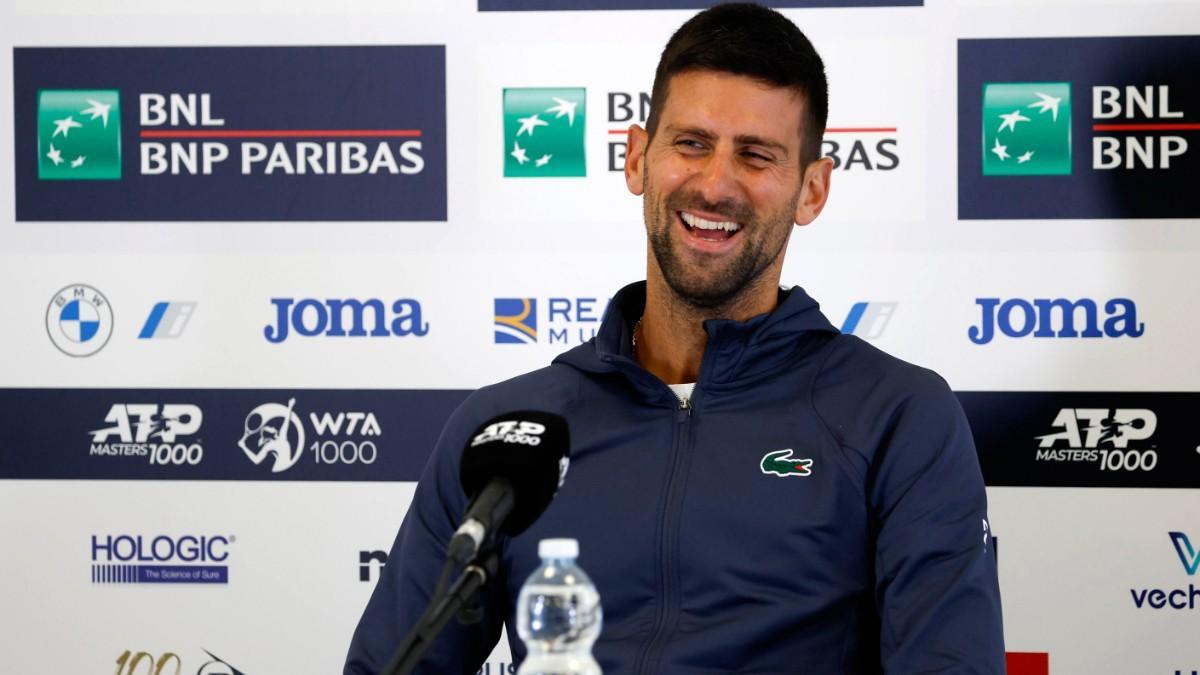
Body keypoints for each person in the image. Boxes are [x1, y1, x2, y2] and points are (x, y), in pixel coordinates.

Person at [345, 4, 1005, 673]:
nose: (715, 183)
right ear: (637, 158)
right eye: (691, 143)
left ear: (812, 190)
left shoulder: (897, 416)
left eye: (756, 155)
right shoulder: (507, 431)